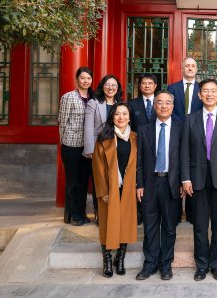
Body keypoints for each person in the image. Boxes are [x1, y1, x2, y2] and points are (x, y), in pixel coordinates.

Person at [181, 78, 217, 281]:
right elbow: (185, 152)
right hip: (196, 179)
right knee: (199, 224)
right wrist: (185, 178)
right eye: (205, 91)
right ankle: (201, 265)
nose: (209, 94)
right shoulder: (190, 119)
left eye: (213, 91)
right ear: (199, 94)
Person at [135, 91, 183, 281]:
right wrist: (139, 184)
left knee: (170, 227)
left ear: (173, 106)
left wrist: (182, 181)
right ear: (154, 106)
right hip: (149, 183)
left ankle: (166, 264)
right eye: (160, 103)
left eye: (168, 103)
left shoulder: (181, 127)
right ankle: (150, 264)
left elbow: (184, 158)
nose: (164, 106)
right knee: (150, 226)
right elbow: (139, 160)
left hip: (171, 183)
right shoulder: (144, 129)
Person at [92, 102, 138, 278]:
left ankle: (120, 259)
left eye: (125, 114)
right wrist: (103, 190)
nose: (121, 117)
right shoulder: (104, 137)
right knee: (107, 223)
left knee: (124, 223)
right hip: (109, 188)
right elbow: (98, 167)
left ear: (129, 117)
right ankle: (107, 261)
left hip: (127, 188)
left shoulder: (135, 137)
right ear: (112, 117)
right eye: (117, 114)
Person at [167, 57, 203, 224]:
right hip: (176, 132)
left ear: (197, 69)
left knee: (192, 170)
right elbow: (168, 108)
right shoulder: (172, 88)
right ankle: (175, 211)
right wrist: (183, 125)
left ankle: (190, 212)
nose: (190, 68)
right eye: (187, 65)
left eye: (193, 66)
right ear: (182, 68)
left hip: (196, 134)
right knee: (175, 168)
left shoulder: (202, 89)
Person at [84, 74, 123, 225]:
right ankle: (99, 212)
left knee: (114, 179)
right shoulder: (94, 103)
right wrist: (89, 149)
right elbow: (88, 126)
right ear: (102, 86)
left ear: (117, 88)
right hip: (98, 146)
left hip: (116, 147)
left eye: (114, 85)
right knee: (98, 180)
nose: (110, 88)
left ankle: (113, 211)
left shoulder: (120, 103)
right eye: (107, 85)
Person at [58, 66, 94, 226]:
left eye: (88, 78)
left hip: (88, 146)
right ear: (77, 79)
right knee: (72, 181)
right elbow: (62, 122)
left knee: (83, 181)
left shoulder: (94, 97)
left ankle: (81, 212)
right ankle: (72, 215)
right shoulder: (68, 97)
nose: (85, 81)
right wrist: (64, 143)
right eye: (83, 78)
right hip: (71, 145)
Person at [129, 73, 158, 225]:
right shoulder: (133, 104)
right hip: (138, 147)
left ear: (155, 86)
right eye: (144, 83)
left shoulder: (160, 103)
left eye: (150, 83)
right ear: (140, 86)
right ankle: (140, 212)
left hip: (158, 147)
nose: (147, 86)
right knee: (139, 180)